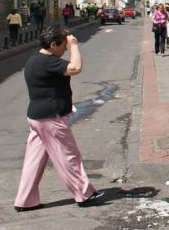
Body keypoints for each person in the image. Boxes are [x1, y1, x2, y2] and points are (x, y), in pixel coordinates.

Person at [13, 27, 104, 211]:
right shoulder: (47, 61)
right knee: (69, 156)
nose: (64, 49)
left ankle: (25, 200)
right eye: (63, 45)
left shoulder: (33, 60)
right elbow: (75, 67)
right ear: (53, 44)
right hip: (51, 118)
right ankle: (84, 194)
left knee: (34, 160)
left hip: (37, 117)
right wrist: (74, 46)